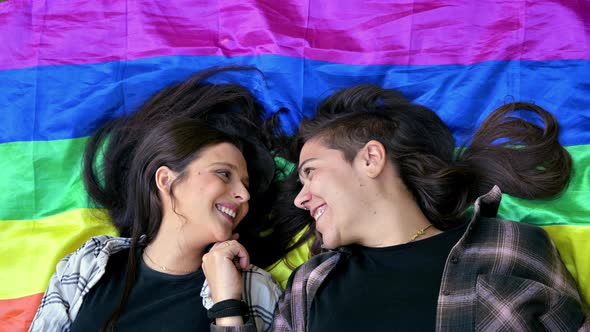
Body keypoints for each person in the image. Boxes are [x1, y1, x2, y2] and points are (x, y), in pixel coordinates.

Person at [270, 85, 590, 331]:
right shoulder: (310, 283)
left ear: (370, 159)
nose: (301, 199)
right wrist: (228, 308)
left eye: (310, 172)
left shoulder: (509, 247)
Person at [29, 70, 282, 332]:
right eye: (223, 174)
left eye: (246, 185)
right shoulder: (92, 261)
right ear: (165, 180)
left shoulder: (255, 288)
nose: (244, 194)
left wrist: (228, 306)